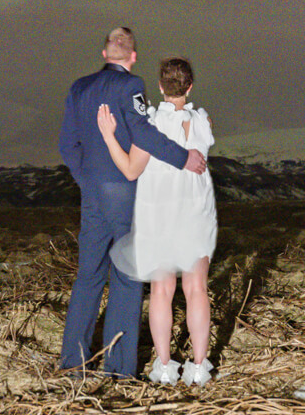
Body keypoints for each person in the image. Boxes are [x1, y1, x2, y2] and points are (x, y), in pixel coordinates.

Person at [58, 28, 207, 378]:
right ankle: (119, 368)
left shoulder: (79, 88)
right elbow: (142, 132)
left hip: (93, 195)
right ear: (133, 57)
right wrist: (183, 157)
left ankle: (73, 363)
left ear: (104, 53)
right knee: (126, 280)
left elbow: (67, 144)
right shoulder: (131, 86)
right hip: (127, 196)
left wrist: (86, 180)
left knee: (88, 277)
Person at [96, 56, 217, 386]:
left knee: (162, 291)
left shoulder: (148, 125)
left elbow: (130, 169)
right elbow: (200, 128)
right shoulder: (204, 121)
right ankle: (199, 367)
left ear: (161, 87)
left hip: (160, 214)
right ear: (190, 86)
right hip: (197, 213)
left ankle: (164, 366)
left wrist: (108, 136)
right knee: (196, 288)